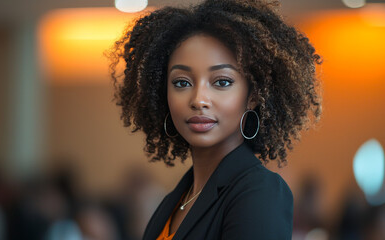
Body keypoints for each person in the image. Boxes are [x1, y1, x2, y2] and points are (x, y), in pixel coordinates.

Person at [106, 0, 322, 239]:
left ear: (252, 96)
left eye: (221, 82)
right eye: (182, 83)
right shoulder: (176, 199)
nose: (199, 99)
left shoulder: (260, 191)